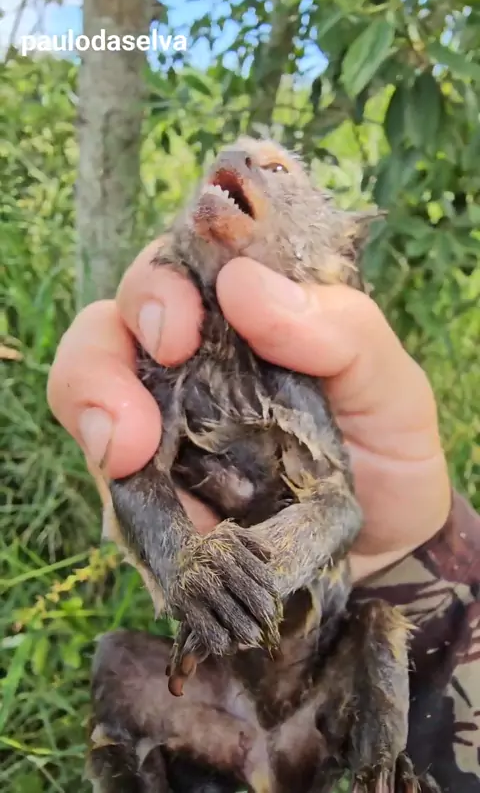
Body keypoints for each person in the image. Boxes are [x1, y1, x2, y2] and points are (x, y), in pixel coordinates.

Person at [47, 243, 480, 792]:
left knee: (378, 626)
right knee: (120, 658)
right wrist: (185, 564)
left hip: (319, 688)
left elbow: (339, 510)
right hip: (209, 695)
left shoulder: (297, 375)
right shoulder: (168, 371)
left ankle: (381, 771)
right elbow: (138, 485)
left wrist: (259, 573)